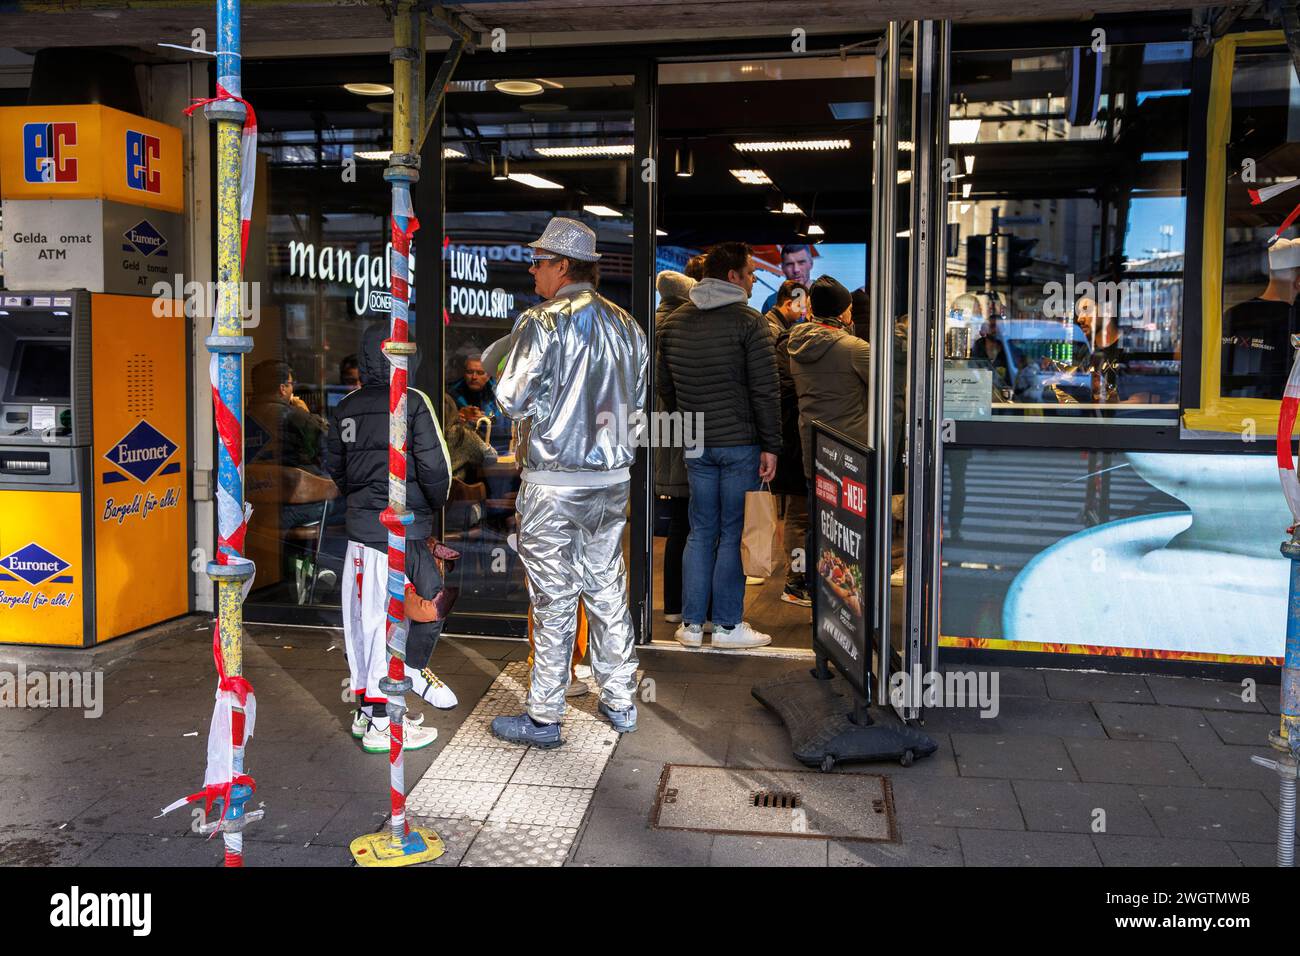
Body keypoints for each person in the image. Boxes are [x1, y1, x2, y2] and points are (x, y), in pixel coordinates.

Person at [489, 216, 648, 748]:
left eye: (537, 261)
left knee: (553, 596)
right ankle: (621, 698)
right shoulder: (629, 326)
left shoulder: (542, 322)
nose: (532, 270)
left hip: (554, 480)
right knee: (606, 586)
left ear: (562, 265)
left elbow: (511, 399)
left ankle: (544, 715)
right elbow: (638, 407)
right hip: (611, 480)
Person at [325, 322, 455, 754]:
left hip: (361, 535)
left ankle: (368, 712)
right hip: (402, 532)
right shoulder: (412, 403)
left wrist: (362, 503)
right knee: (413, 611)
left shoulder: (344, 407)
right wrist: (431, 506)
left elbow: (337, 468)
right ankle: (386, 717)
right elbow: (437, 472)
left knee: (363, 622)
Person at [658, 241, 780, 649]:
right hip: (740, 443)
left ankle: (692, 626)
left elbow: (665, 388)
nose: (751, 280)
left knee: (699, 529)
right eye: (749, 273)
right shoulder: (750, 322)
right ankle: (727, 626)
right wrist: (771, 445)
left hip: (696, 442)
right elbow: (765, 390)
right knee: (731, 532)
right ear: (732, 276)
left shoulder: (674, 323)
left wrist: (689, 421)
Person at [788, 279, 871, 584]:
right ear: (841, 312)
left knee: (819, 524)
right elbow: (884, 390)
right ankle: (849, 598)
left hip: (814, 448)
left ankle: (816, 591)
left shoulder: (794, 345)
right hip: (851, 454)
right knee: (851, 527)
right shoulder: (854, 349)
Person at [764, 279, 811, 606]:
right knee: (797, 514)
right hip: (790, 437)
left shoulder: (783, 333)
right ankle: (795, 582)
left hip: (789, 436)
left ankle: (799, 578)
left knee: (798, 513)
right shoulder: (778, 337)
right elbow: (779, 390)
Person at [654, 268, 697, 624]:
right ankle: (682, 605)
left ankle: (671, 605)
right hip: (681, 430)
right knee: (687, 520)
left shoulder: (648, 325)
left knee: (677, 522)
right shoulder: (682, 328)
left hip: (653, 430)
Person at [1222, 237, 1300, 400]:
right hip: (1283, 411)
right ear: (1298, 282)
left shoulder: (1234, 314)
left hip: (1233, 408)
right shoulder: (1294, 317)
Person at [448, 355, 510, 451]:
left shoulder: (500, 393)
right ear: (464, 373)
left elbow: (504, 429)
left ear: (488, 375)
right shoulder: (451, 393)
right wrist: (457, 418)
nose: (474, 377)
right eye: (469, 372)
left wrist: (484, 421)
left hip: (497, 448)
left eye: (480, 373)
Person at [761, 244, 816, 312]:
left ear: (811, 263)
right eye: (790, 264)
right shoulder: (771, 303)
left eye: (801, 262)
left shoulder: (827, 295)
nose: (796, 270)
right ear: (782, 267)